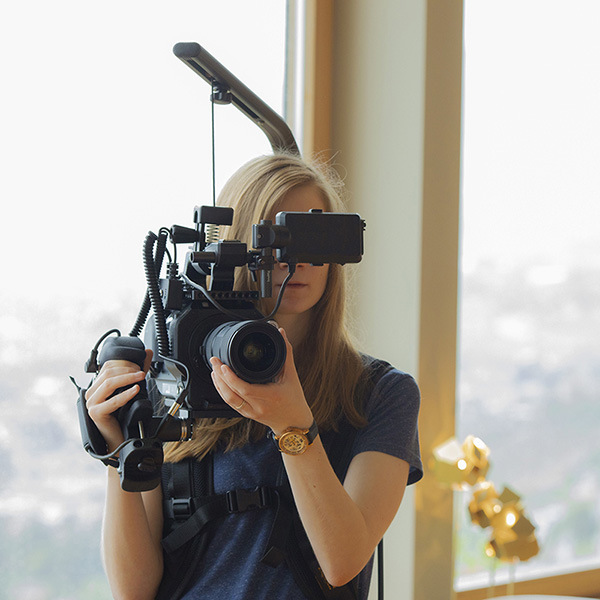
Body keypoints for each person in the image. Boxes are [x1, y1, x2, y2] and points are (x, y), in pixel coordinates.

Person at [85, 152, 423, 600]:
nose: (293, 260)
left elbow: (343, 562)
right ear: (235, 246)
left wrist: (291, 426)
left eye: (307, 237)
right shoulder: (175, 378)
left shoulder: (380, 393)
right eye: (274, 239)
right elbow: (133, 590)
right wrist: (118, 455)